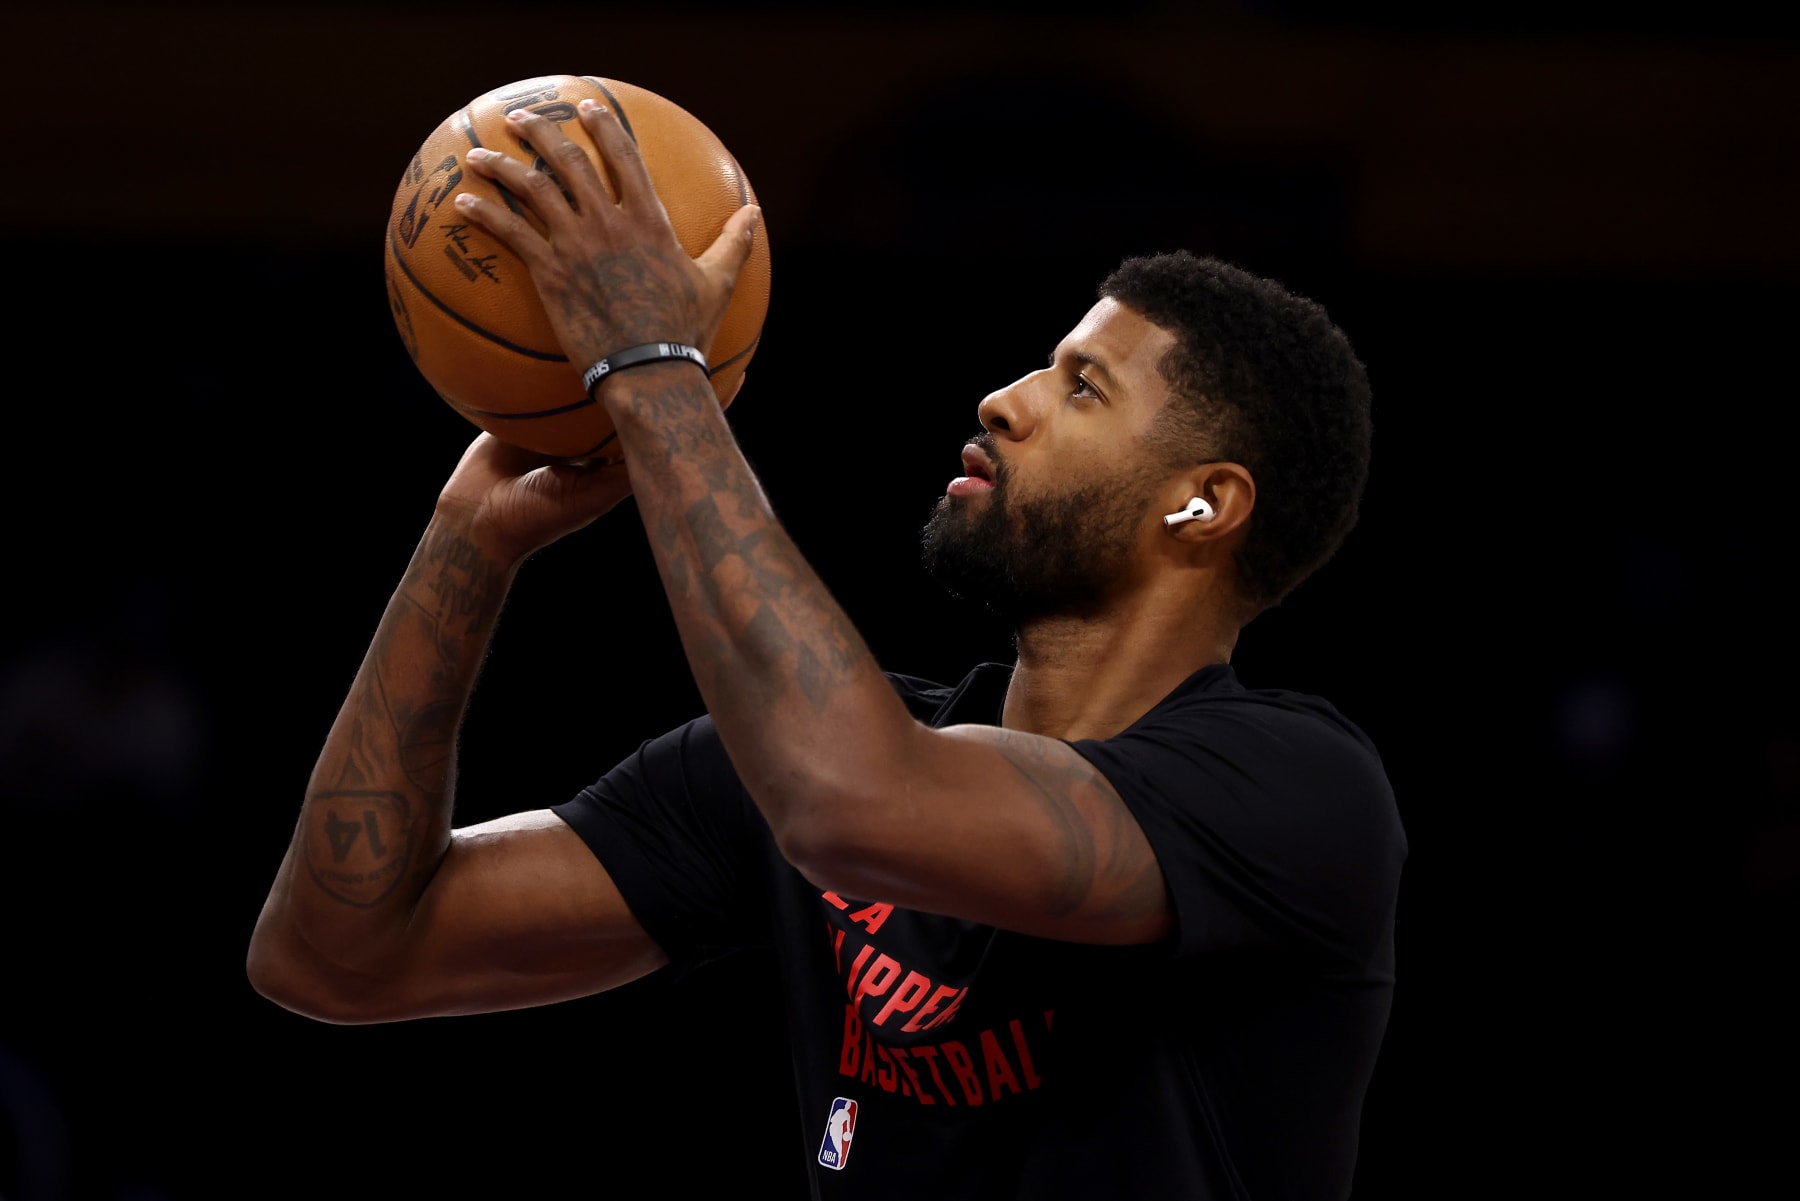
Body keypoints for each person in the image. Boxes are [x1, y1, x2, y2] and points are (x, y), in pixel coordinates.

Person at [247, 98, 1406, 1200]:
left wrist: (651, 365)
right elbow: (337, 955)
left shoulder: (1296, 794)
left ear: (1204, 504)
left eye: (1082, 386)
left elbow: (857, 802)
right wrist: (468, 544)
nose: (1004, 400)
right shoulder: (784, 770)